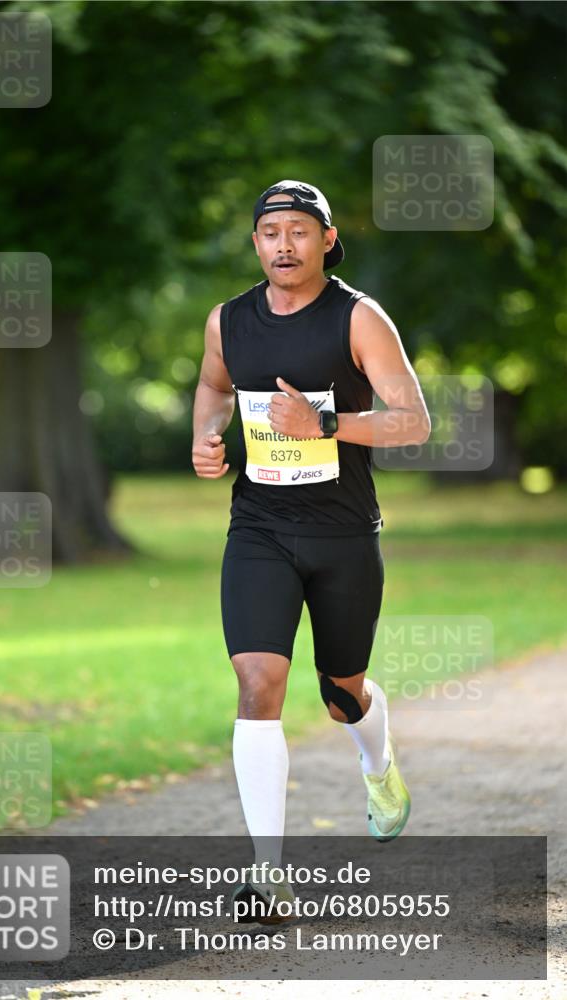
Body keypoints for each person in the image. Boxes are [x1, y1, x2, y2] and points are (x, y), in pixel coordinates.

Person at [191, 180, 431, 924]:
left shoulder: (358, 317)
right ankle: (269, 877)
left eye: (298, 230)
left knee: (340, 693)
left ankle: (377, 763)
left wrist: (321, 421)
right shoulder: (228, 321)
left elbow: (413, 424)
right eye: (269, 233)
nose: (283, 244)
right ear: (256, 243)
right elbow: (213, 385)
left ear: (327, 239)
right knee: (257, 682)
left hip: (342, 535)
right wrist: (204, 439)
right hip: (259, 529)